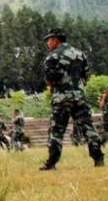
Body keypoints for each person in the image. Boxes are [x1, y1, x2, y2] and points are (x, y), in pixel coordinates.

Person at [40, 28, 103, 170]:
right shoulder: (80, 54)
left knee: (57, 130)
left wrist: (53, 90)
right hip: (80, 96)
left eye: (49, 40)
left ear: (56, 39)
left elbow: (49, 77)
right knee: (88, 127)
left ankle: (52, 163)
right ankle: (98, 158)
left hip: (62, 97)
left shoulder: (53, 56)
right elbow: (86, 75)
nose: (48, 43)